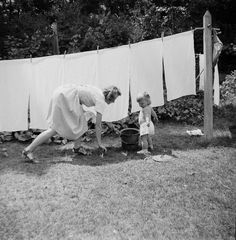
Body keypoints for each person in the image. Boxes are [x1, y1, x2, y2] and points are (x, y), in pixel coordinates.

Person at [22, 84, 121, 163]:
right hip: (67, 97)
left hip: (65, 92)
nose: (114, 102)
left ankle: (77, 148)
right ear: (110, 98)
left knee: (82, 121)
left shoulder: (98, 91)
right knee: (55, 129)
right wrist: (100, 144)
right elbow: (98, 125)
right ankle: (28, 150)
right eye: (114, 100)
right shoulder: (101, 101)